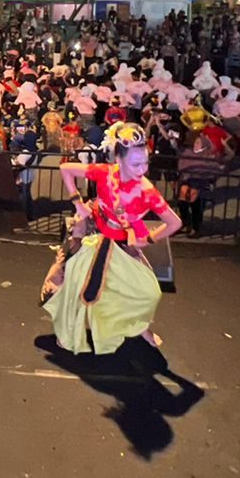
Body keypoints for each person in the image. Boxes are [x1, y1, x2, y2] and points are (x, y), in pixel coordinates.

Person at [45, 122, 183, 354]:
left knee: (147, 293)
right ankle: (67, 333)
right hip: (94, 236)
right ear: (119, 159)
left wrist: (147, 240)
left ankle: (138, 327)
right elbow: (66, 169)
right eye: (136, 163)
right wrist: (78, 204)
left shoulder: (147, 191)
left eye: (146, 162)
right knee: (76, 288)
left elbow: (175, 223)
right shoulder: (104, 172)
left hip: (121, 246)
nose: (143, 169)